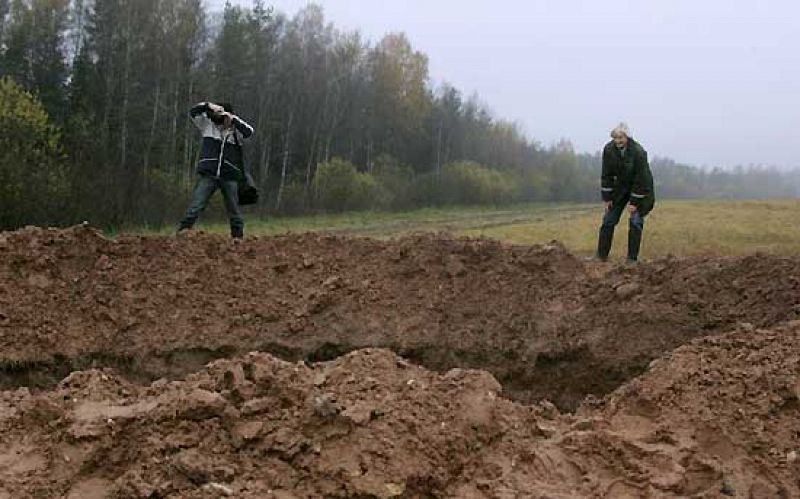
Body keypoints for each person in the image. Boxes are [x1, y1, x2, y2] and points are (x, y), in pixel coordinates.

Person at [178, 101, 254, 240]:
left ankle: (237, 238)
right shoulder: (208, 126)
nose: (221, 119)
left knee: (234, 210)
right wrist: (208, 106)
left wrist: (233, 119)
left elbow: (249, 131)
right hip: (209, 174)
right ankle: (183, 232)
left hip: (229, 175)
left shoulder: (236, 132)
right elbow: (193, 112)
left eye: (223, 116)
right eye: (219, 116)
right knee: (196, 205)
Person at [596, 123, 655, 262]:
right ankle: (601, 256)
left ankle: (632, 259)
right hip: (620, 188)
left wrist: (634, 202)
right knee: (608, 220)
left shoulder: (639, 152)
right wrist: (607, 197)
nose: (618, 141)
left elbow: (642, 179)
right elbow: (606, 175)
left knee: (635, 221)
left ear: (627, 137)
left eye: (621, 137)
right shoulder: (609, 150)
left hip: (641, 189)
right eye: (615, 138)